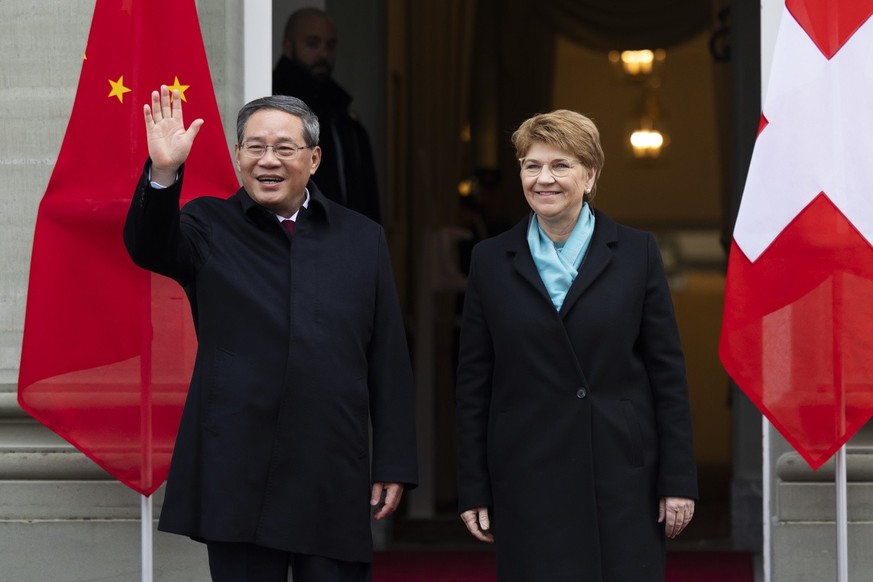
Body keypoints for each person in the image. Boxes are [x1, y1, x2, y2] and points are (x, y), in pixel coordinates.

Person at [124, 85, 417, 582]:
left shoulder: (360, 238)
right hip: (238, 464)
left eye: (285, 148)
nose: (269, 161)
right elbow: (149, 246)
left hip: (329, 463)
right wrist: (165, 172)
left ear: (315, 157)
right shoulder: (206, 225)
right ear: (239, 156)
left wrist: (394, 460)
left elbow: (387, 356)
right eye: (255, 147)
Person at [455, 110, 698, 581]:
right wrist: (473, 487)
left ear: (590, 175)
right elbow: (473, 383)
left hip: (621, 475)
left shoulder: (636, 253)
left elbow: (668, 374)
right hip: (527, 472)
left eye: (560, 165)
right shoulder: (489, 260)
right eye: (531, 165)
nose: (543, 178)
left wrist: (678, 481)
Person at [273, 7, 382, 223]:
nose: (323, 54)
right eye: (313, 43)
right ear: (288, 47)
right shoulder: (270, 109)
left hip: (344, 242)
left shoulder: (344, 121)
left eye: (330, 45)